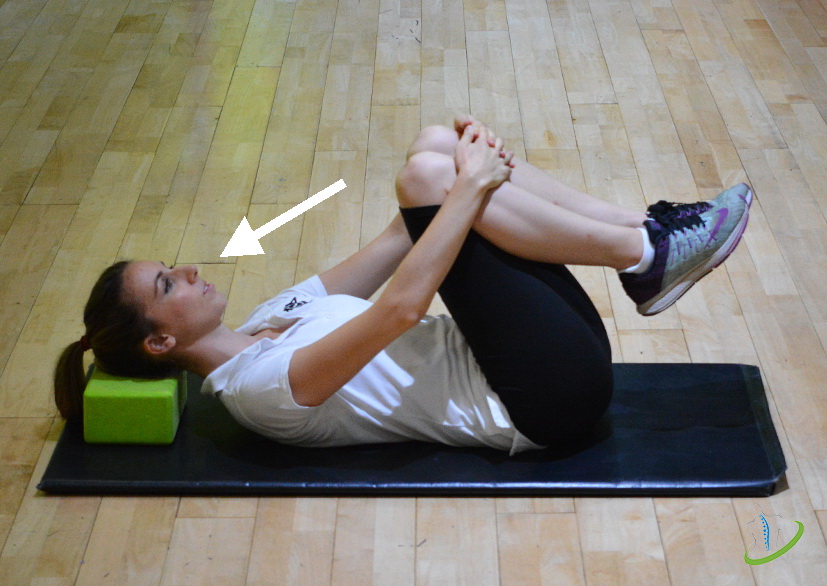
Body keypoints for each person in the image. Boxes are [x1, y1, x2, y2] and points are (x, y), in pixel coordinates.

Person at [53, 116, 752, 454]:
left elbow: (398, 237)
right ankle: (643, 255)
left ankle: (645, 234)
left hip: (540, 352)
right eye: (168, 284)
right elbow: (400, 308)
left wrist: (463, 156)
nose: (190, 271)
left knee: (433, 151)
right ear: (160, 341)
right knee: (434, 181)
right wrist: (465, 186)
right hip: (542, 401)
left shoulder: (271, 317)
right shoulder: (259, 390)